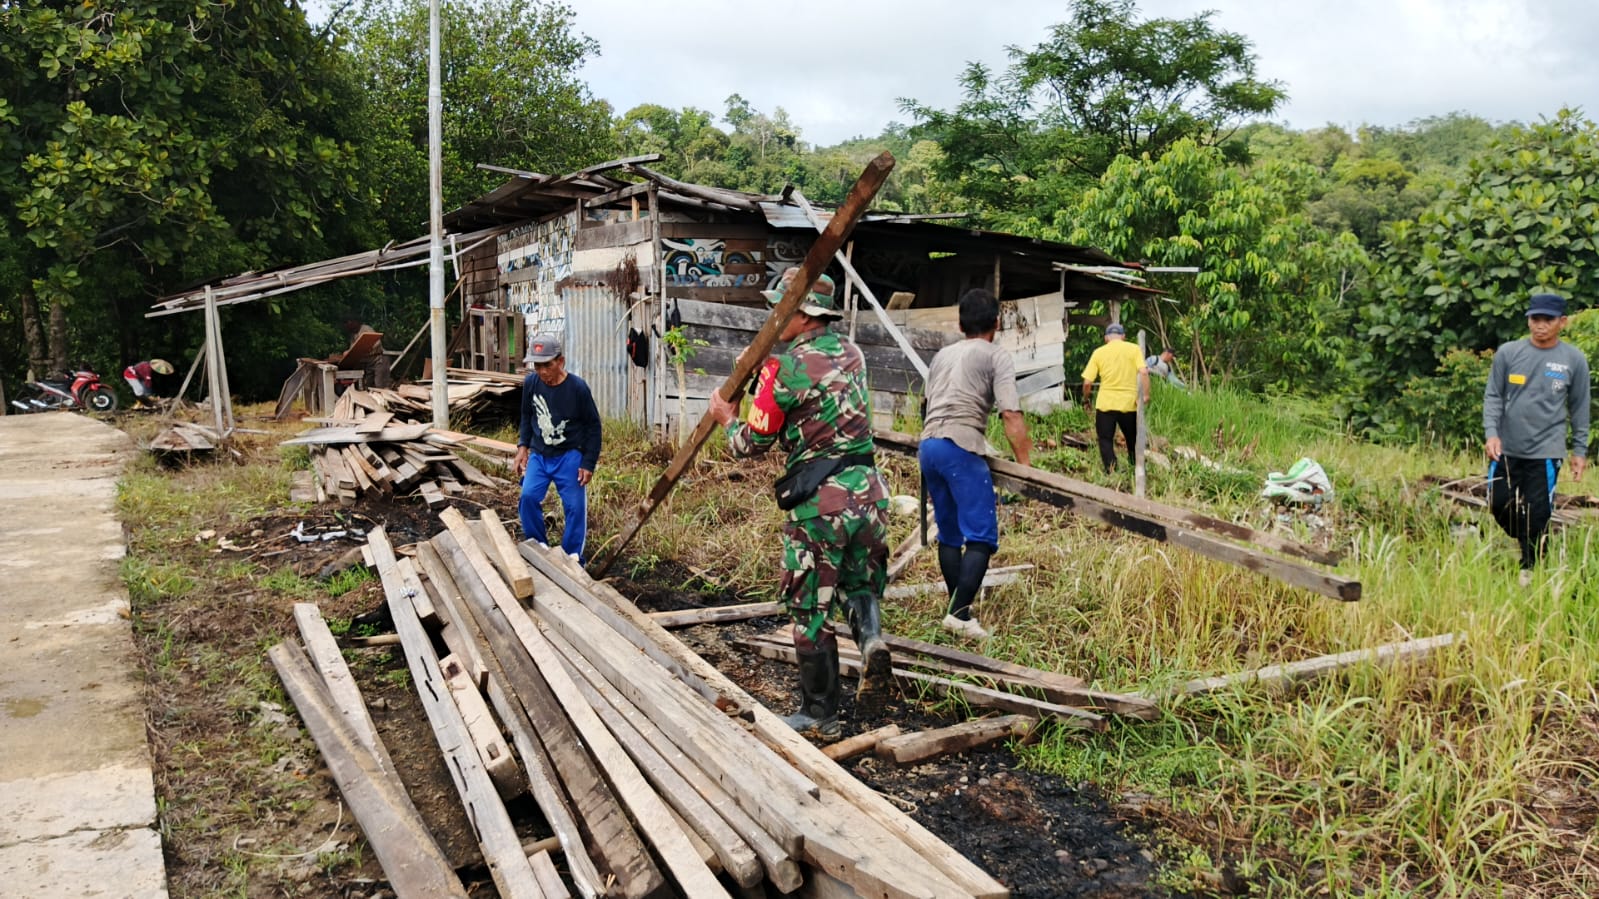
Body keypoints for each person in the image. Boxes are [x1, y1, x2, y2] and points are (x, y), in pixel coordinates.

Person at [707, 268, 892, 741]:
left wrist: (728, 418)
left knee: (809, 605)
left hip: (821, 507)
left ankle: (819, 713)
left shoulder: (786, 367)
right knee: (858, 581)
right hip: (869, 495)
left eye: (780, 307)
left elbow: (752, 444)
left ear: (803, 314)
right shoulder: (853, 353)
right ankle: (871, 639)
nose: (774, 316)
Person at [918, 288, 1032, 640]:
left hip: (929, 445)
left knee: (950, 534)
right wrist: (1025, 465)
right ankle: (957, 614)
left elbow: (924, 405)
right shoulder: (996, 355)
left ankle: (961, 612)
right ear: (997, 323)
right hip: (960, 446)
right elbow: (1010, 413)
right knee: (981, 536)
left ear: (960, 322)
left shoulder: (942, 355)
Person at [1483, 292, 1589, 585]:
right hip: (1506, 448)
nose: (1540, 325)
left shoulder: (1573, 359)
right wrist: (1491, 433)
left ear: (1562, 322)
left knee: (1538, 511)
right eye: (1535, 319)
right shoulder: (1508, 353)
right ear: (1528, 319)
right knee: (1498, 503)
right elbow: (1493, 395)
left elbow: (1579, 406)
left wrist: (1580, 451)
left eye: (1548, 320)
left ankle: (1529, 567)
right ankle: (1531, 541)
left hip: (1546, 451)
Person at [515, 334, 602, 563]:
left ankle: (572, 556)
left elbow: (594, 427)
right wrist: (522, 447)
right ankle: (538, 546)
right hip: (540, 455)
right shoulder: (531, 383)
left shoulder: (577, 388)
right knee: (528, 497)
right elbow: (526, 415)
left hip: (569, 455)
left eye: (547, 365)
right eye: (537, 365)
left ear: (560, 361)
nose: (542, 371)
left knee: (574, 507)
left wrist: (588, 463)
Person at [1081, 323, 1150, 472]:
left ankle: (1112, 471)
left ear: (1106, 338)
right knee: (1132, 439)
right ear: (1123, 336)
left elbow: (1087, 383)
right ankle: (1135, 467)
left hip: (1105, 404)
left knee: (1105, 440)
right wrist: (1145, 395)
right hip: (1129, 404)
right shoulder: (1134, 349)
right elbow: (1144, 372)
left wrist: (1086, 400)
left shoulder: (1099, 352)